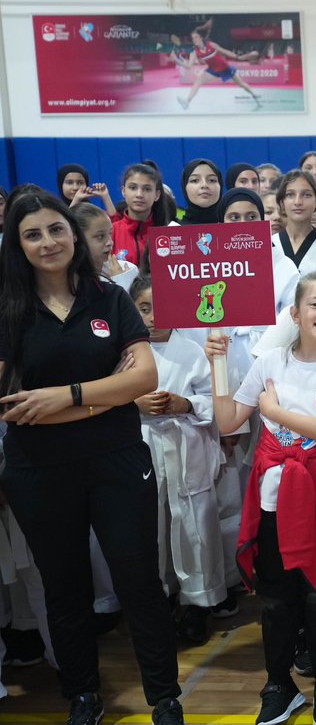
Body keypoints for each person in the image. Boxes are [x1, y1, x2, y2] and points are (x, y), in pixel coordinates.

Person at [0, 191, 185, 725]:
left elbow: (144, 377)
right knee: (64, 587)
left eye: (56, 229)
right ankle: (82, 694)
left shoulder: (111, 298)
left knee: (139, 582)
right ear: (17, 245)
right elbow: (11, 407)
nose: (48, 242)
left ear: (73, 234)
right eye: (32, 234)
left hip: (118, 461)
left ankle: (165, 697)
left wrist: (66, 397)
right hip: (38, 470)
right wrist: (107, 395)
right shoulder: (8, 309)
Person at [207, 270, 316, 725]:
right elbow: (228, 421)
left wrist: (275, 412)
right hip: (272, 503)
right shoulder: (271, 361)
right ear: (295, 313)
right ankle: (279, 684)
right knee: (276, 600)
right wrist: (218, 365)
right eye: (315, 304)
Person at [129, 276, 226, 647]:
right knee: (149, 525)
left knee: (194, 524)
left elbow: (213, 400)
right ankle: (160, 599)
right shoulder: (125, 354)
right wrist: (134, 404)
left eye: (162, 308)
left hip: (185, 442)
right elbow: (108, 398)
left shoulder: (192, 350)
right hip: (143, 444)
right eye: (144, 308)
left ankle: (199, 603)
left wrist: (185, 404)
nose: (154, 317)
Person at [177, 19, 262, 111]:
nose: (194, 40)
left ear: (201, 37)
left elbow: (224, 51)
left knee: (241, 84)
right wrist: (176, 60)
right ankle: (187, 101)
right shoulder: (194, 51)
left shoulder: (211, 45)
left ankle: (254, 95)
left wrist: (237, 57)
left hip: (225, 68)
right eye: (193, 38)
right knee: (198, 81)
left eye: (196, 37)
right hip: (212, 70)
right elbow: (189, 66)